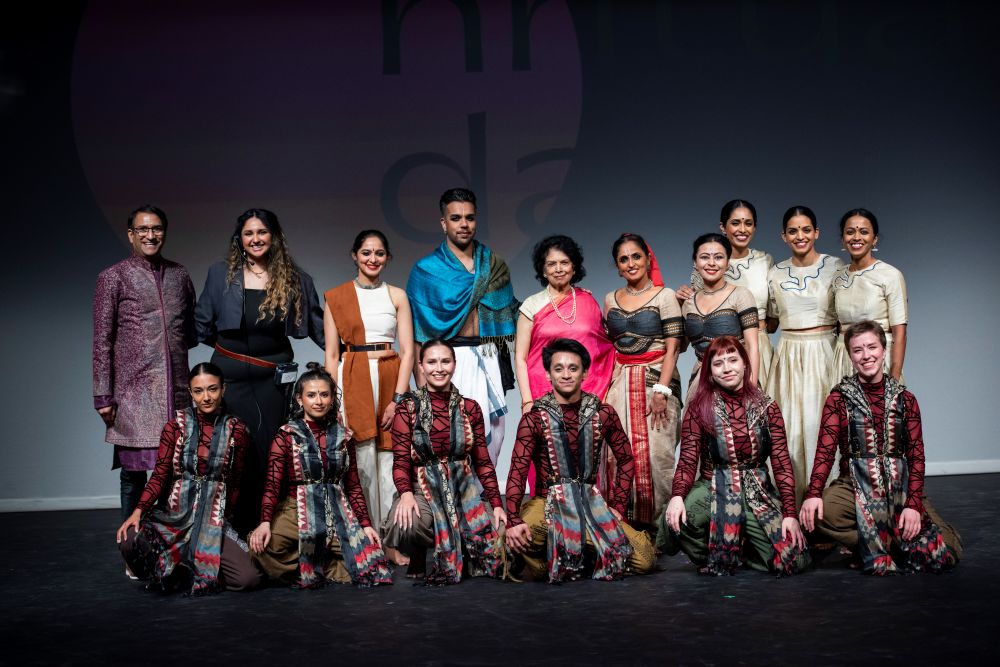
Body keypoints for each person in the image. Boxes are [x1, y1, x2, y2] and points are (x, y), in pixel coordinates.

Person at [195, 208, 324, 532]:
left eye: (262, 232)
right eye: (249, 233)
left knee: (270, 454)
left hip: (273, 383)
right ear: (239, 239)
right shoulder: (220, 274)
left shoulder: (295, 278)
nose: (255, 239)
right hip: (230, 380)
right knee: (232, 452)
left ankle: (268, 529)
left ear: (274, 236)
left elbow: (319, 327)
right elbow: (201, 325)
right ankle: (232, 531)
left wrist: (355, 354)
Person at [800, 321, 960, 575]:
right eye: (858, 350)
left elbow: (916, 456)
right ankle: (883, 545)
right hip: (854, 484)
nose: (866, 355)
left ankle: (877, 545)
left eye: (872, 347)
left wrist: (913, 505)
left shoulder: (905, 399)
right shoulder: (838, 399)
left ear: (884, 350)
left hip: (898, 485)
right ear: (851, 356)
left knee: (947, 551)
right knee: (820, 512)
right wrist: (813, 493)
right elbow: (825, 451)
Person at [94, 205, 197, 565]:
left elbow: (190, 331)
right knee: (134, 474)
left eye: (157, 229)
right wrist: (103, 395)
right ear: (131, 234)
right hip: (133, 392)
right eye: (143, 229)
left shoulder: (179, 274)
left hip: (177, 392)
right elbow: (102, 341)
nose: (151, 235)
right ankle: (133, 553)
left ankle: (170, 549)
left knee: (176, 473)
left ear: (164, 232)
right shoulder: (113, 277)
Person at [505, 338, 656, 582]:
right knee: (519, 534)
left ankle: (574, 554)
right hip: (547, 504)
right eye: (558, 369)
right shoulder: (533, 419)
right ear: (548, 374)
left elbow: (626, 459)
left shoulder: (603, 413)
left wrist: (618, 506)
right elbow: (517, 472)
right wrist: (512, 519)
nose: (566, 375)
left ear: (584, 373)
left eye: (573, 368)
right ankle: (561, 556)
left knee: (645, 560)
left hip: (590, 503)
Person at [660, 337, 809, 576]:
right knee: (676, 521)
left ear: (745, 364)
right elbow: (688, 459)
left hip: (756, 490)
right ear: (710, 371)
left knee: (794, 561)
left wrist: (790, 514)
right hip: (713, 485)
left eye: (733, 360)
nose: (727, 368)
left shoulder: (767, 407)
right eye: (718, 363)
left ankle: (741, 548)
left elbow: (781, 464)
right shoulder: (699, 407)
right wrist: (677, 495)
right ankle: (712, 553)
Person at [116, 363, 260, 594]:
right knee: (128, 540)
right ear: (191, 393)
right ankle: (182, 563)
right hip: (175, 516)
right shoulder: (175, 427)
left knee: (247, 579)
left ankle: (190, 566)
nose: (206, 397)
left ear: (223, 389)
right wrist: (138, 511)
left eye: (212, 389)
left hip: (213, 520)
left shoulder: (238, 431)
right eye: (199, 391)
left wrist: (223, 522)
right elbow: (160, 475)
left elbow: (235, 484)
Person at [248, 363, 393, 588]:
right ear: (300, 399)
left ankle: (320, 563)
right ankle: (312, 563)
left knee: (373, 562)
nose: (318, 401)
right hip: (296, 509)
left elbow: (353, 486)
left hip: (336, 510)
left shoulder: (344, 437)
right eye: (311, 395)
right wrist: (265, 522)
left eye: (324, 395)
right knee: (262, 549)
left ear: (332, 398)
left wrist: (366, 525)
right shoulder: (286, 436)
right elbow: (272, 484)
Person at [406, 188, 520, 463]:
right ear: (443, 223)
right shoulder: (426, 271)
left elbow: (512, 312)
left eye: (469, 217)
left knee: (494, 435)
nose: (464, 224)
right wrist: (421, 386)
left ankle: (485, 490)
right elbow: (417, 334)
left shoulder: (494, 265)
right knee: (449, 440)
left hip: (489, 357)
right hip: (447, 362)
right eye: (456, 218)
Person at [382, 339, 507, 585]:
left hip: (463, 490)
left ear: (454, 364)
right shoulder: (407, 409)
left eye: (445, 361)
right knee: (408, 523)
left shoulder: (470, 408)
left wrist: (496, 503)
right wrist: (405, 494)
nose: (439, 368)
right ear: (421, 366)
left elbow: (483, 462)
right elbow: (400, 461)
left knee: (501, 531)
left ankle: (465, 550)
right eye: (432, 362)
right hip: (422, 489)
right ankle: (418, 552)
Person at [324, 230, 414, 564]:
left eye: (379, 253)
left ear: (387, 257)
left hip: (389, 375)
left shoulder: (397, 295)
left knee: (391, 460)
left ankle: (393, 540)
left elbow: (408, 351)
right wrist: (333, 400)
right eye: (366, 252)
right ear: (355, 255)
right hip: (353, 377)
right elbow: (331, 355)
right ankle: (369, 538)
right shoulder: (336, 296)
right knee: (361, 462)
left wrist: (398, 399)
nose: (372, 259)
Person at [765, 206, 845, 502]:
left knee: (822, 424)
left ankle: (827, 501)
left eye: (806, 229)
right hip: (788, 353)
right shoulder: (775, 272)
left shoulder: (835, 266)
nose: (800, 236)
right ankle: (793, 503)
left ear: (816, 233)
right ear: (784, 236)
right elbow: (770, 320)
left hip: (824, 350)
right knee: (789, 428)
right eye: (793, 231)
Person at [603, 233, 684, 528]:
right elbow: (608, 346)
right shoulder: (610, 299)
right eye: (623, 259)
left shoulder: (665, 296)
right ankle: (626, 528)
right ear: (617, 266)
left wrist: (662, 391)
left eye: (636, 256)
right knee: (617, 455)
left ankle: (661, 529)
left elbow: (673, 348)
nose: (631, 263)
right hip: (620, 383)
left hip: (656, 380)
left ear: (648, 259)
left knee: (657, 456)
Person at [679, 200, 774, 388]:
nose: (742, 229)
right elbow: (700, 310)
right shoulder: (708, 263)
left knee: (755, 398)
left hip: (756, 342)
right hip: (718, 348)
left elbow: (774, 314)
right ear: (723, 227)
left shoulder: (765, 260)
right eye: (735, 223)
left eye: (748, 223)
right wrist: (681, 301)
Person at [515, 234, 613, 409]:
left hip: (588, 393)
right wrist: (527, 401)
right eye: (551, 264)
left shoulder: (587, 300)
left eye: (564, 262)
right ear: (543, 271)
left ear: (574, 268)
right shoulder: (531, 305)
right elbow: (521, 358)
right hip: (542, 393)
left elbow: (604, 348)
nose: (558, 269)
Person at [831, 208, 907, 382]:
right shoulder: (837, 277)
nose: (856, 237)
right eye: (850, 232)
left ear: (875, 239)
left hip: (877, 360)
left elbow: (900, 333)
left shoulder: (890, 275)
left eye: (864, 232)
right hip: (844, 358)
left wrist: (894, 379)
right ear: (843, 239)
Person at [681, 233, 760, 394]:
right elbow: (681, 347)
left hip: (736, 380)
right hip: (700, 383)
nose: (711, 263)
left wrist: (749, 390)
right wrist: (676, 305)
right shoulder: (688, 302)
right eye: (704, 257)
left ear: (728, 263)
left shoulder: (741, 295)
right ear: (695, 262)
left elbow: (752, 346)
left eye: (718, 257)